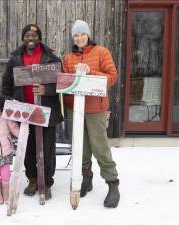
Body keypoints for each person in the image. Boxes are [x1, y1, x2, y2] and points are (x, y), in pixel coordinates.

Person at [62, 19, 120, 208]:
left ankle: (112, 183)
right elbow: (65, 81)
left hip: (95, 109)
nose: (79, 38)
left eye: (82, 34)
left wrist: (90, 72)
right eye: (76, 35)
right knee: (81, 148)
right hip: (74, 109)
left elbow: (112, 77)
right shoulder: (68, 57)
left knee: (99, 147)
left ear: (88, 34)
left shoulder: (101, 52)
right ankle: (86, 178)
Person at [2, 24, 63, 199]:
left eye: (34, 35)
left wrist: (47, 90)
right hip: (24, 111)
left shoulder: (51, 58)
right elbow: (6, 83)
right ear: (23, 38)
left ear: (39, 38)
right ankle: (33, 179)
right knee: (28, 148)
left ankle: (47, 181)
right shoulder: (15, 59)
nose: (30, 37)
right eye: (27, 35)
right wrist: (9, 101)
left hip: (46, 111)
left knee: (47, 148)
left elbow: (61, 83)